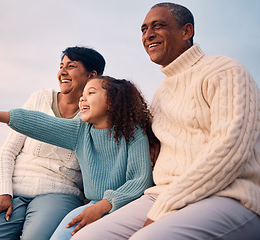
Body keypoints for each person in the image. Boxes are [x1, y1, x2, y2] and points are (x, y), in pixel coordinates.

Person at [69, 2, 260, 240]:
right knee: (83, 238)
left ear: (186, 31)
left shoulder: (225, 72)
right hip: (161, 195)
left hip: (228, 195)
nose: (148, 34)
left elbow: (230, 152)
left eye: (158, 26)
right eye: (143, 29)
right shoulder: (161, 94)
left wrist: (165, 207)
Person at [0, 75, 155, 239]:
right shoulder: (80, 131)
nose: (82, 99)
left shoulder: (134, 133)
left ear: (113, 102)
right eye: (82, 94)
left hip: (126, 206)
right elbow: (39, 123)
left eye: (91, 93)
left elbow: (139, 181)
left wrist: (104, 205)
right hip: (94, 205)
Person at [0, 46, 106, 240]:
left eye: (71, 66)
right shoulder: (40, 98)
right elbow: (8, 151)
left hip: (59, 194)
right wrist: (3, 193)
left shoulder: (94, 117)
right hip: (12, 191)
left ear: (92, 75)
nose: (62, 72)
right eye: (61, 66)